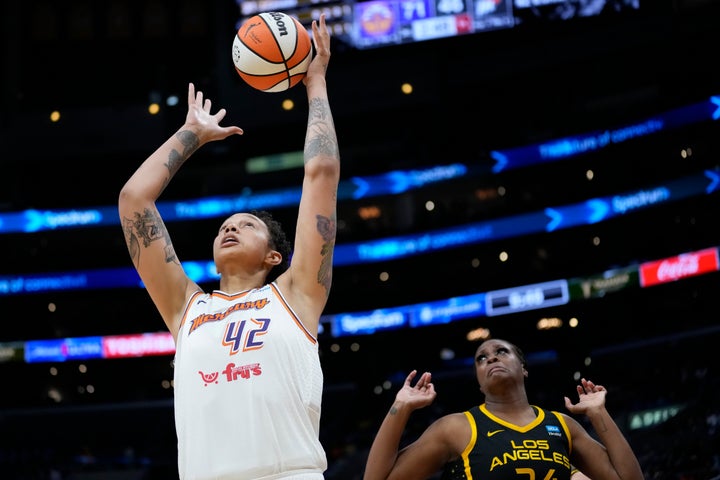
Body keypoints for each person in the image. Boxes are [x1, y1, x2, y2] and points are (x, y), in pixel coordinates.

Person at [118, 14, 339, 480]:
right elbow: (134, 201)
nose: (230, 229)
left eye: (246, 225)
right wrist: (190, 135)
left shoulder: (296, 295)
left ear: (274, 256)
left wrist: (314, 80)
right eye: (224, 226)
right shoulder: (185, 307)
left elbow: (321, 174)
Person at [363, 338, 643, 480]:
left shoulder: (562, 425)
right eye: (481, 358)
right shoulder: (456, 427)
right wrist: (400, 407)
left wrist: (598, 412)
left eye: (501, 351)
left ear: (523, 368)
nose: (491, 357)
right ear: (479, 381)